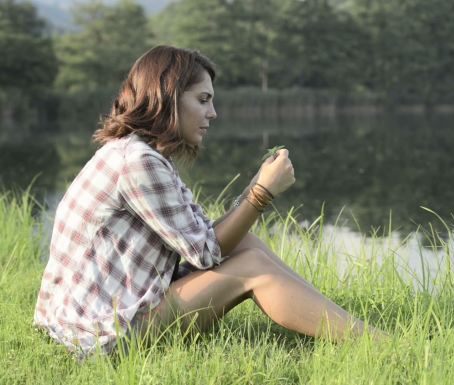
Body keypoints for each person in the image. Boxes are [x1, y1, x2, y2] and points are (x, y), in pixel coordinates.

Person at [34, 45, 385, 358]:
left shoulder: (137, 152)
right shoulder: (137, 162)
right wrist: (260, 194)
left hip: (83, 320)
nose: (213, 113)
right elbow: (206, 253)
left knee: (246, 244)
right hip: (100, 336)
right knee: (252, 269)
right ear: (168, 97)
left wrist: (252, 190)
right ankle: (378, 343)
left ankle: (338, 321)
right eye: (203, 100)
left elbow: (203, 236)